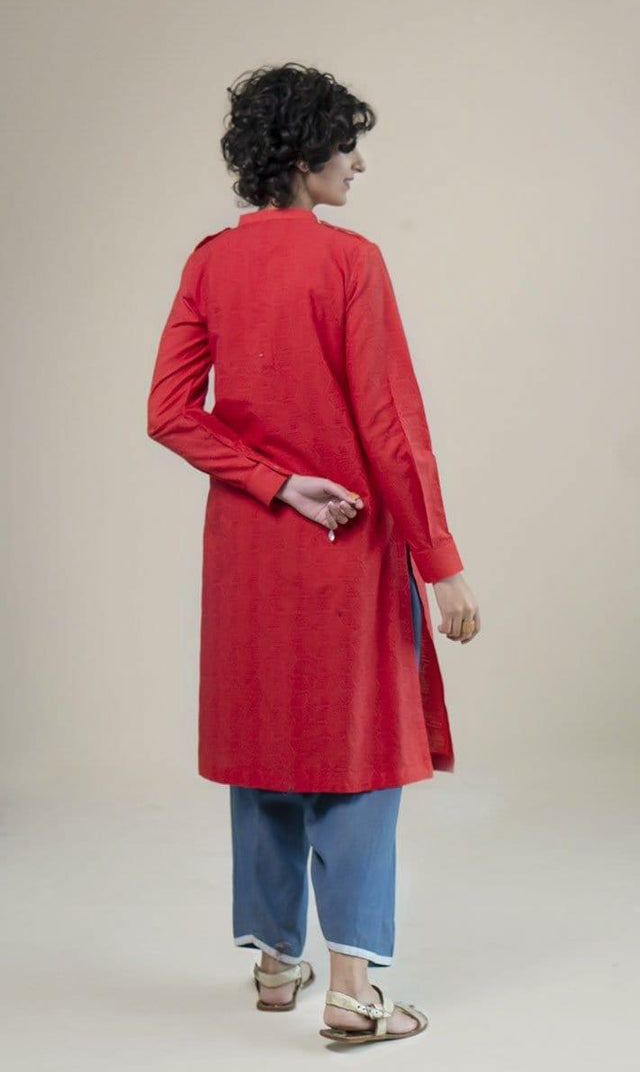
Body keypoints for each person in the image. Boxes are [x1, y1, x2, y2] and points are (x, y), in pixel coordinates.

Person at [146, 62, 480, 1046]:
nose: (358, 165)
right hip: (347, 546)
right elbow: (390, 425)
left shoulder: (210, 262)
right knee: (357, 755)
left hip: (248, 553)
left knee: (267, 748)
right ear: (302, 159)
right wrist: (441, 559)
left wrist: (272, 481)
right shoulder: (351, 262)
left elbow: (169, 412)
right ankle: (354, 993)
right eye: (346, 147)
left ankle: (274, 962)